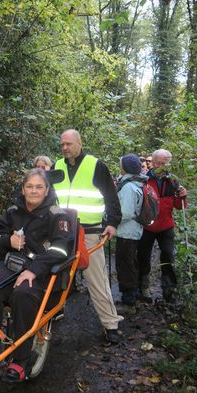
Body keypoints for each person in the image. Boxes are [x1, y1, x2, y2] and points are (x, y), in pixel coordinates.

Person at [0, 168, 74, 382]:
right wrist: (9, 241)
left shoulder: (58, 215)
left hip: (40, 269)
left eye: (39, 187)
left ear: (46, 190)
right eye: (29, 186)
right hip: (10, 264)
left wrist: (34, 270)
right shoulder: (12, 211)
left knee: (23, 294)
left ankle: (21, 358)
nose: (34, 191)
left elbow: (61, 250)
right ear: (23, 189)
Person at [52, 129, 124, 344]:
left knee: (97, 280)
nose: (65, 148)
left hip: (89, 232)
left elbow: (111, 196)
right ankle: (52, 312)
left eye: (69, 144)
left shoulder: (96, 166)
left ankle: (110, 324)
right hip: (62, 231)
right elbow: (48, 196)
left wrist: (112, 223)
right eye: (62, 144)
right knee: (53, 273)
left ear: (80, 144)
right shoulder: (57, 166)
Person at [137, 149, 187, 303]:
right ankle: (143, 287)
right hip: (146, 226)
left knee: (167, 256)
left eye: (164, 164)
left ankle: (169, 290)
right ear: (152, 162)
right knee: (143, 257)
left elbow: (180, 206)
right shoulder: (143, 180)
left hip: (166, 226)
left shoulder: (172, 181)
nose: (160, 166)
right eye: (158, 163)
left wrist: (183, 196)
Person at [115, 154, 147, 314]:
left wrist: (110, 221)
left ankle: (129, 303)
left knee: (126, 265)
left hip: (127, 232)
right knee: (130, 263)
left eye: (121, 164)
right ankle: (132, 296)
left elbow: (125, 213)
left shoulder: (128, 187)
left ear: (126, 167)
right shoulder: (137, 183)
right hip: (133, 230)